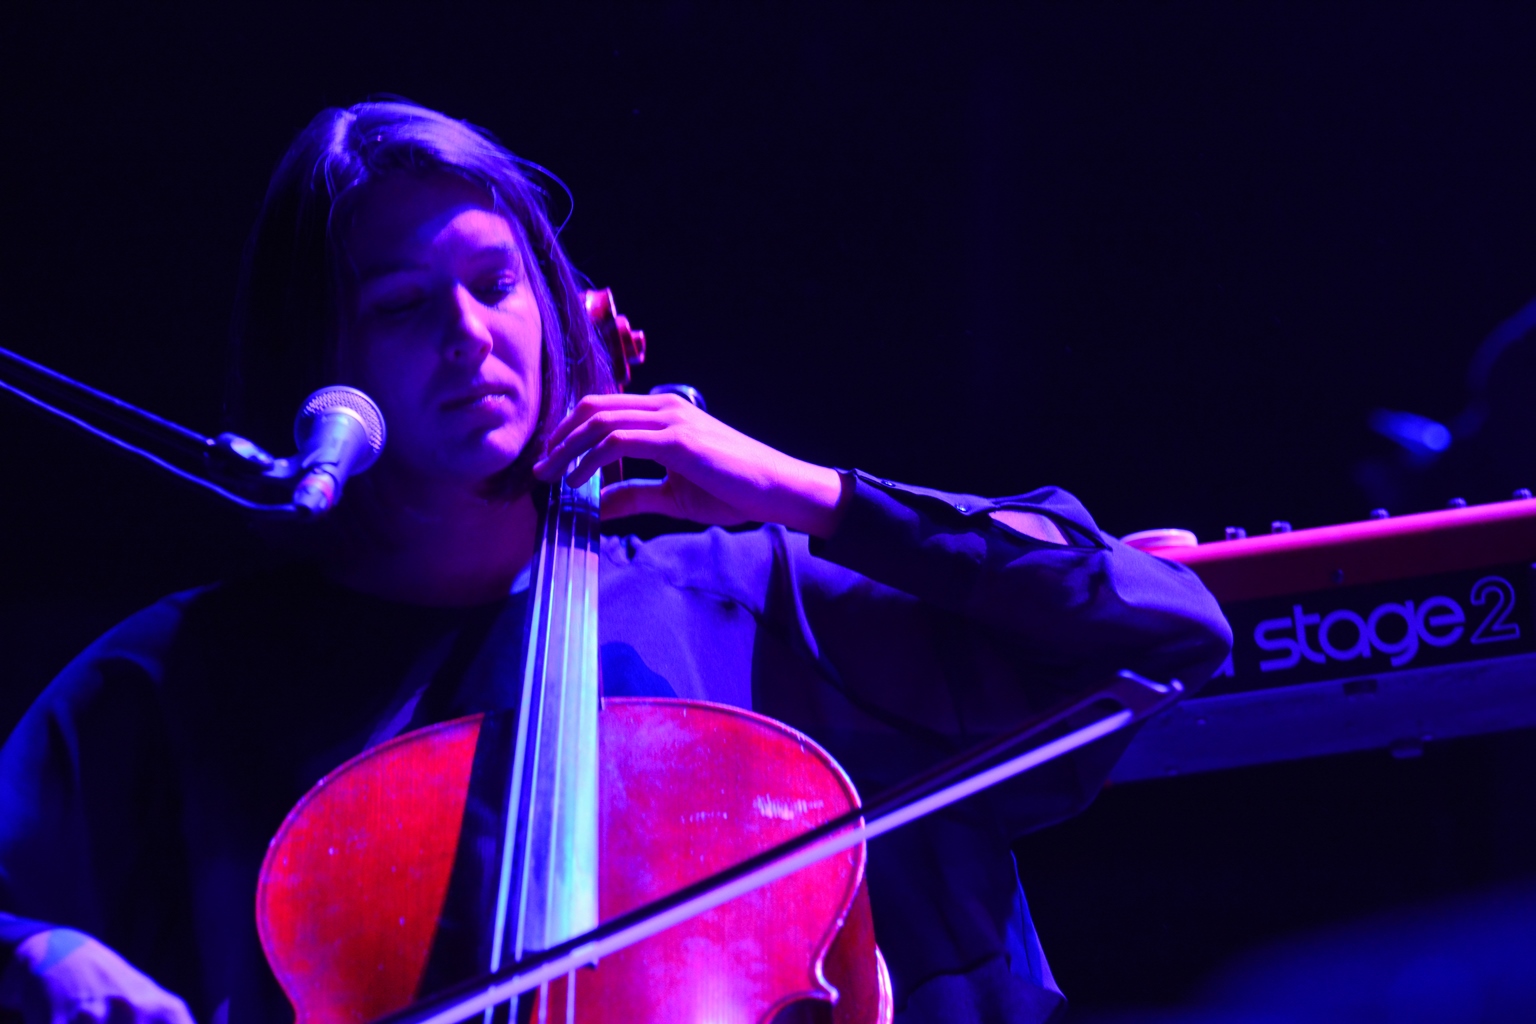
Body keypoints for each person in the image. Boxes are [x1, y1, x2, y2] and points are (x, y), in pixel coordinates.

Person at [0, 101, 1230, 1024]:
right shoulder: (187, 678)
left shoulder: (745, 595)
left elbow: (1169, 626)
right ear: (319, 358)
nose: (469, 337)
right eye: (401, 307)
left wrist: (800, 493)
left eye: (494, 284)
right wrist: (41, 953)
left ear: (548, 299)